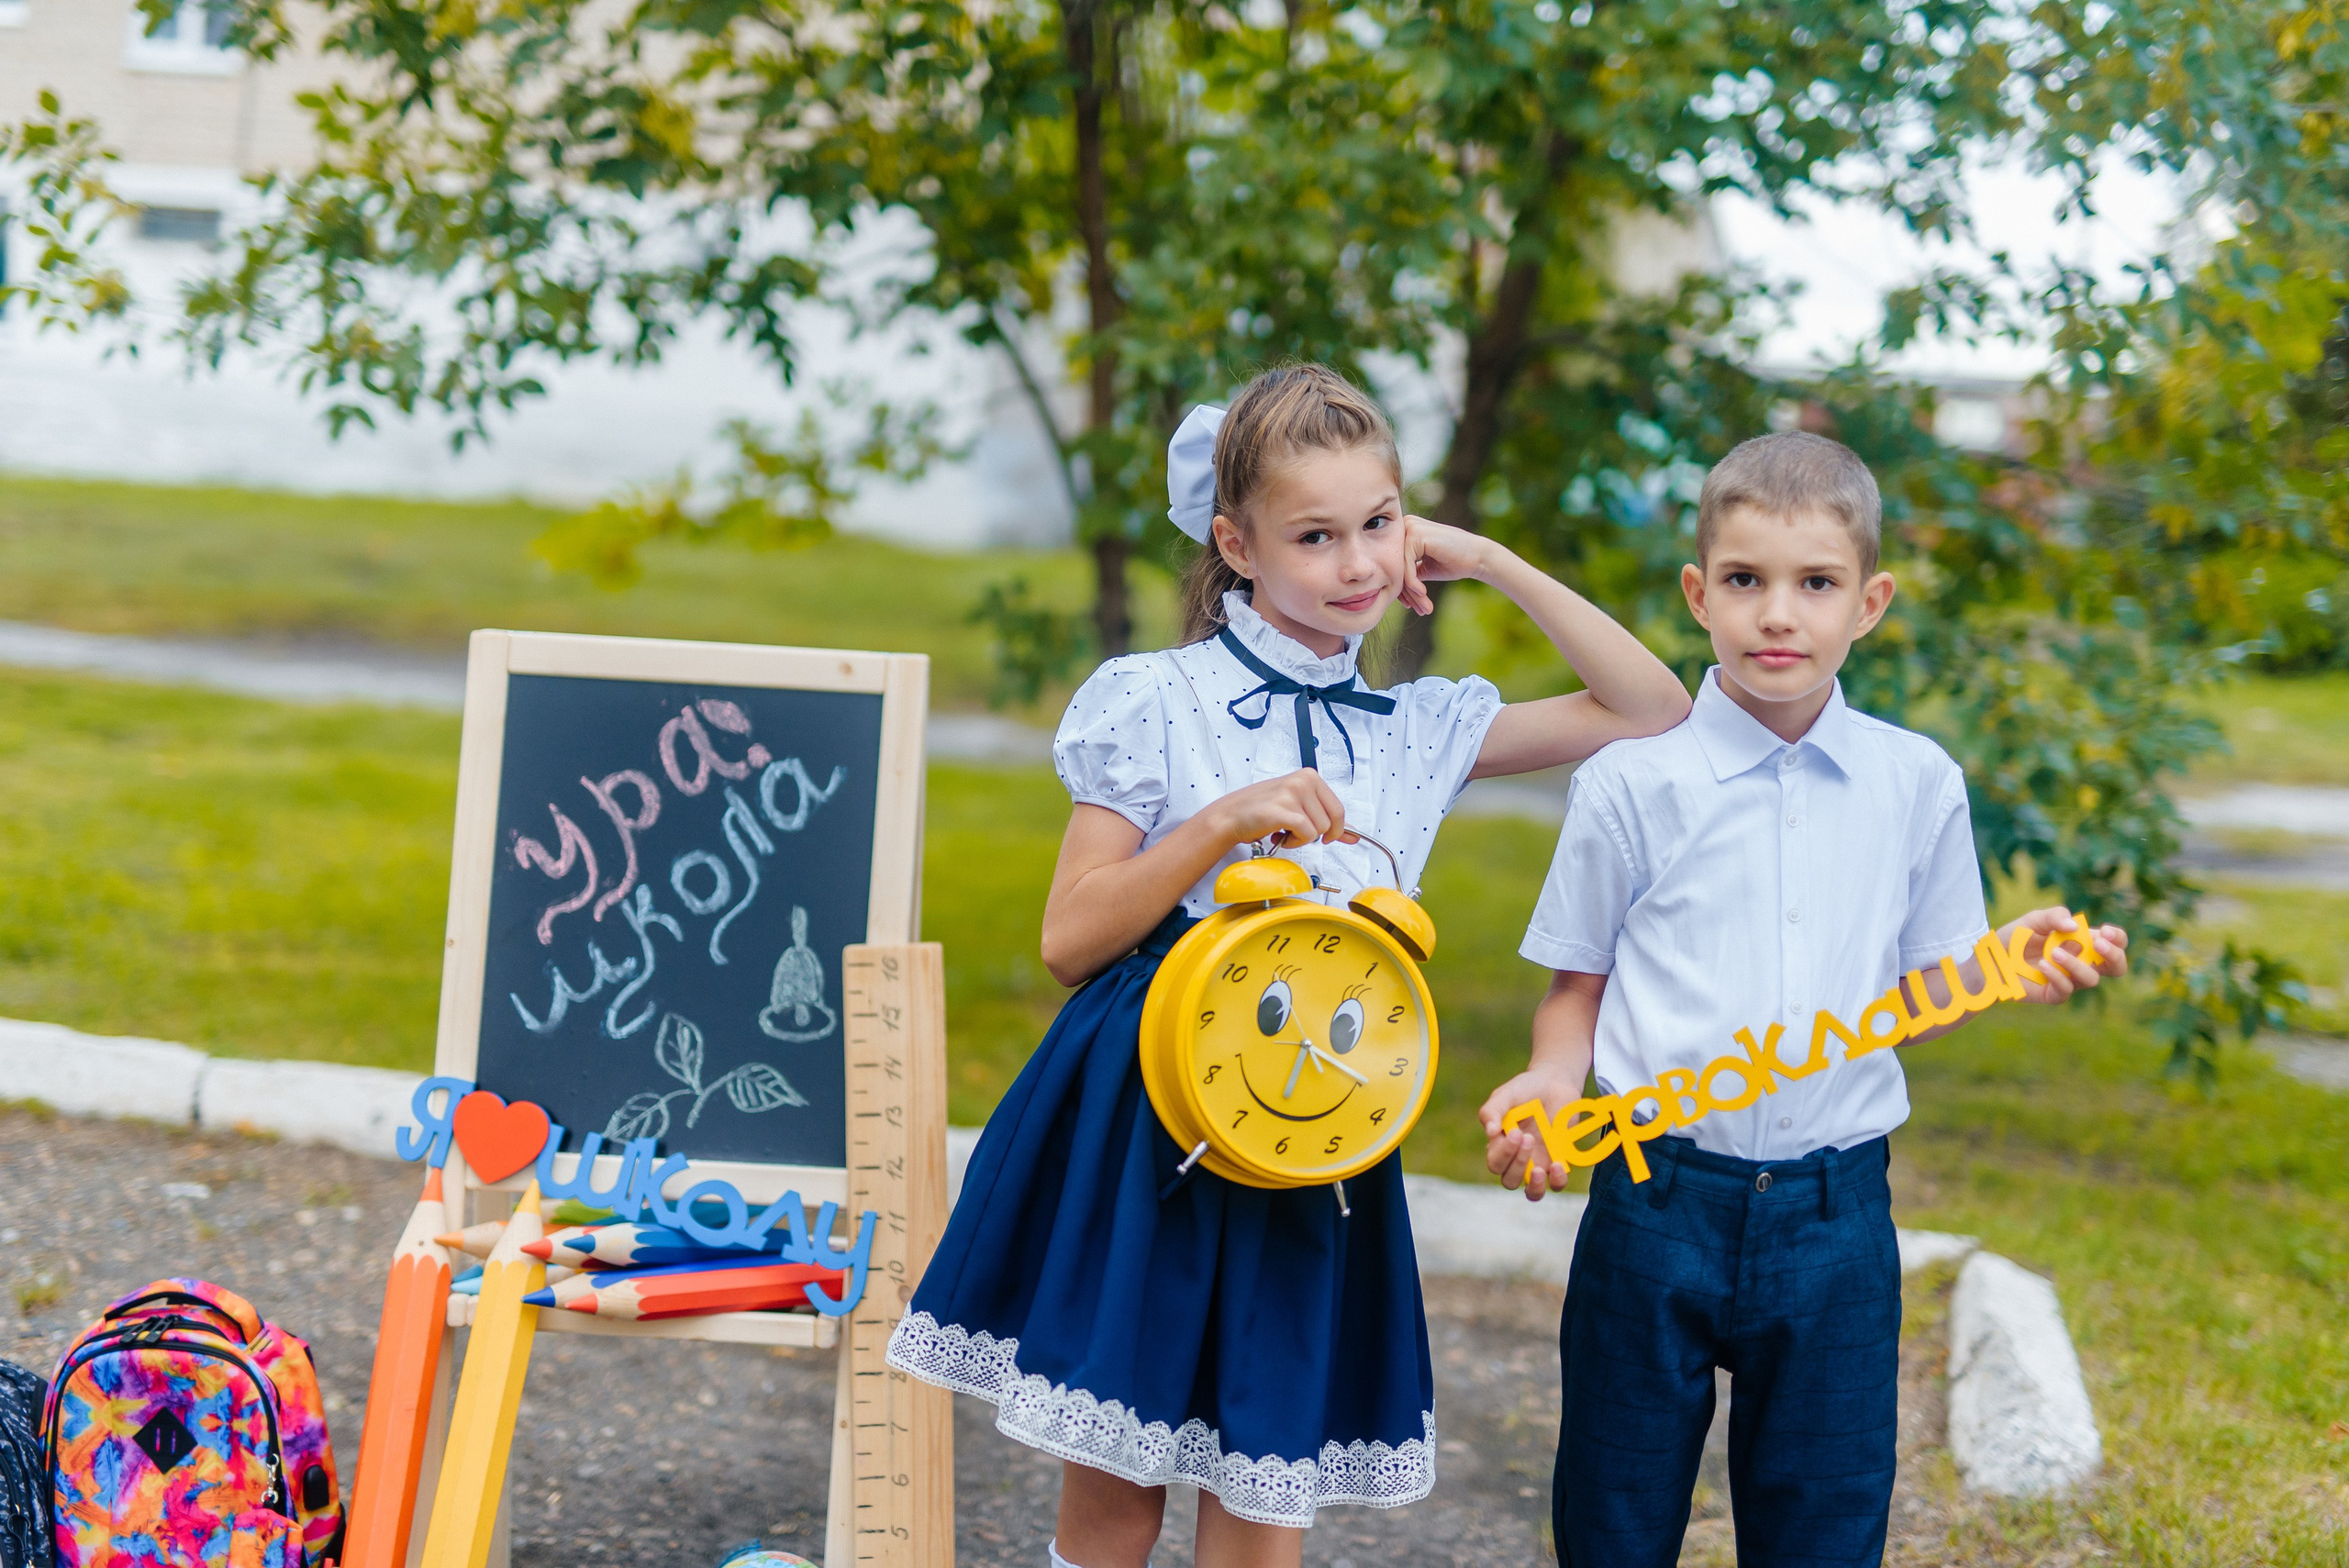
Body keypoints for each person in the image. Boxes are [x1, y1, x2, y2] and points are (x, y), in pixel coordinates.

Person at [887, 363, 1693, 1568]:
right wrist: (1217, 825)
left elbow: (1650, 707)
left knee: (1264, 1490)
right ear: (1236, 544)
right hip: (1152, 1115)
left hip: (1320, 1123)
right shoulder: (1156, 699)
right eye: (1315, 536)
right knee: (1115, 1494)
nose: (1358, 563)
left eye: (1379, 523)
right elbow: (1069, 939)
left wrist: (1488, 560)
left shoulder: (1417, 730)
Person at [1477, 429, 2131, 1567]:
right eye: (1745, 579)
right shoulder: (1631, 780)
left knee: (1823, 1528)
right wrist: (1547, 1077)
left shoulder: (1915, 781)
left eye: (1816, 583)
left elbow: (1924, 989)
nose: (1777, 613)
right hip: (1651, 1201)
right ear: (1698, 594)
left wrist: (2001, 961)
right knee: (1612, 1521)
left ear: (1868, 602)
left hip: (1835, 1221)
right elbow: (1575, 989)